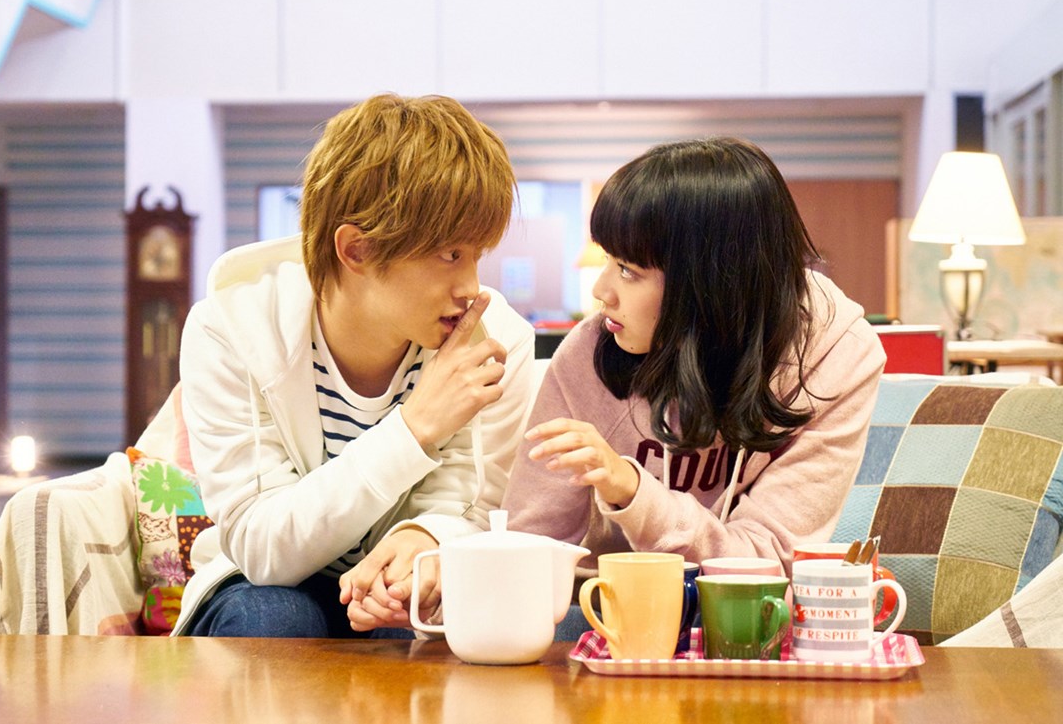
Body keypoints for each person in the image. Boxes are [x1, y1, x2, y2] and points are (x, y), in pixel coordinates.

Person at [172, 94, 535, 637]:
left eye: (478, 255)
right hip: (261, 586)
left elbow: (474, 507)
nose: (470, 287)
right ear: (357, 249)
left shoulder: (498, 338)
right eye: (450, 255)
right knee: (273, 620)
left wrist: (426, 541)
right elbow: (264, 548)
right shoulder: (231, 328)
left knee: (406, 628)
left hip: (399, 584)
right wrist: (414, 428)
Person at [503, 137, 885, 633]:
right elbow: (527, 547)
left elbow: (766, 565)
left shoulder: (835, 358)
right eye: (608, 260)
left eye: (628, 270)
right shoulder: (591, 353)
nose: (600, 292)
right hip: (609, 626)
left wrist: (632, 490)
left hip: (748, 631)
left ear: (708, 285)